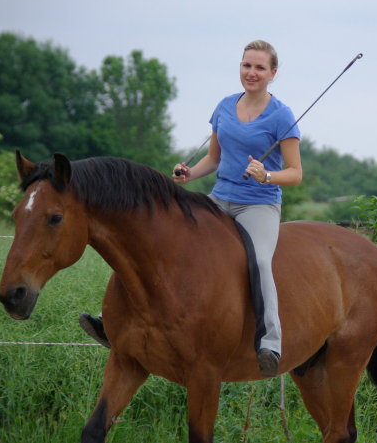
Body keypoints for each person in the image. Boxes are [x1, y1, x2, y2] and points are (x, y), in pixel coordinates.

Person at [79, 40, 302, 377]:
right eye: (246, 65)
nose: (251, 73)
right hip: (218, 200)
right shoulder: (225, 107)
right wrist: (190, 173)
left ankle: (270, 341)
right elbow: (214, 158)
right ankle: (112, 322)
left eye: (259, 68)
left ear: (273, 73)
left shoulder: (282, 115)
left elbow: (296, 174)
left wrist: (266, 175)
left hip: (258, 206)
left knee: (257, 260)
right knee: (159, 242)